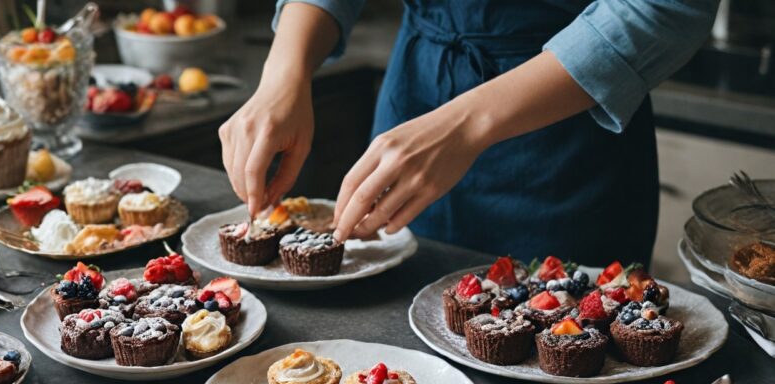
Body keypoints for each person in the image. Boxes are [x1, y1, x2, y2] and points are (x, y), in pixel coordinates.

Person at [218, 1, 720, 266]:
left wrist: (467, 123)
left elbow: (665, 6)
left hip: (567, 136)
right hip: (417, 92)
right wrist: (283, 73)